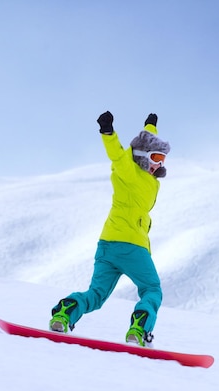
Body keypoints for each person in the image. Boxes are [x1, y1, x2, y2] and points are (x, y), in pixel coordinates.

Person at [49, 110, 171, 347]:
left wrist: (149, 126)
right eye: (156, 158)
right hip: (132, 246)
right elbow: (119, 155)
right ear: (144, 156)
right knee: (151, 289)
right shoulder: (131, 171)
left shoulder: (136, 170)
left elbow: (141, 143)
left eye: (162, 160)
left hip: (106, 246)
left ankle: (64, 313)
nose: (159, 165)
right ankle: (139, 329)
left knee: (95, 295)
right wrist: (108, 132)